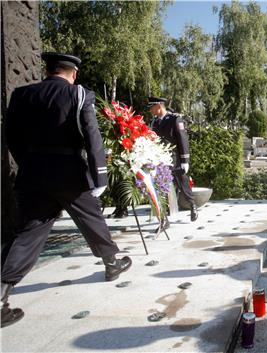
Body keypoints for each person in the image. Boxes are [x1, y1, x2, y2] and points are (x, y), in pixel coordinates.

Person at [1, 52, 132, 328]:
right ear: (73, 73)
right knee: (91, 218)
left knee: (27, 232)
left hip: (34, 172)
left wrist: (29, 162)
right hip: (70, 171)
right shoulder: (79, 94)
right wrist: (100, 176)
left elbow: (11, 135)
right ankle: (111, 264)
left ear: (49, 70)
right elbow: (91, 135)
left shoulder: (22, 94)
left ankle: (2, 294)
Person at [148, 96, 198, 227]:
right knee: (161, 188)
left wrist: (185, 160)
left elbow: (182, 140)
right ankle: (164, 219)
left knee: (183, 184)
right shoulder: (154, 123)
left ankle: (192, 205)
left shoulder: (175, 119)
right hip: (160, 161)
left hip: (175, 159)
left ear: (159, 106)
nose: (150, 110)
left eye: (152, 107)